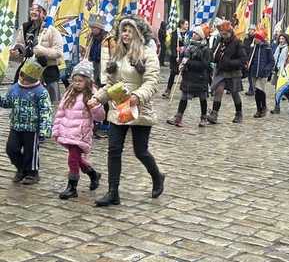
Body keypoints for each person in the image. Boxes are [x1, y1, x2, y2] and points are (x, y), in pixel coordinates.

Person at [89, 15, 165, 207]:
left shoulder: (148, 54)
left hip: (139, 108)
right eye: (124, 30)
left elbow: (152, 82)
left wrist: (138, 96)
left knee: (140, 151)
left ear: (138, 34)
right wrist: (97, 97)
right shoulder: (117, 55)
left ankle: (157, 176)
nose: (126, 34)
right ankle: (113, 192)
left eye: (130, 31)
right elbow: (111, 84)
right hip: (120, 107)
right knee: (114, 149)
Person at [52, 61, 105, 199]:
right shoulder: (70, 92)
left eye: (80, 81)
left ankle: (72, 186)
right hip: (67, 131)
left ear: (87, 81)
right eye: (74, 80)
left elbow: (100, 116)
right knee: (76, 158)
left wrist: (94, 107)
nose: (76, 83)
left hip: (81, 133)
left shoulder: (93, 94)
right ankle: (93, 173)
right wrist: (56, 129)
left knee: (72, 159)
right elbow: (61, 111)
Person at [0, 57, 53, 185]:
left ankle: (32, 173)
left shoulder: (41, 92)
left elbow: (46, 110)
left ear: (35, 79)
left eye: (27, 79)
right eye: (22, 77)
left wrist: (45, 129)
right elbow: (7, 103)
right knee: (11, 149)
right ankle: (21, 168)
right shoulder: (14, 88)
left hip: (32, 128)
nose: (23, 80)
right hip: (16, 126)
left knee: (31, 152)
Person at [11, 0, 64, 103]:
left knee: (49, 104)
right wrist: (16, 53)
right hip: (28, 71)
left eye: (37, 10)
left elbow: (58, 52)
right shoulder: (25, 27)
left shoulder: (52, 31)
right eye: (32, 9)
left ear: (43, 13)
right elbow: (20, 46)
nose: (33, 12)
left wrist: (42, 51)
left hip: (47, 72)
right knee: (23, 101)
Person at [167, 24, 212, 128]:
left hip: (200, 78)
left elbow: (205, 65)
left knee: (202, 98)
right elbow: (184, 58)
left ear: (201, 36)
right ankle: (178, 118)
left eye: (196, 33)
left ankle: (203, 118)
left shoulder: (205, 49)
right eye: (194, 33)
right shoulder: (188, 45)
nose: (193, 34)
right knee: (184, 97)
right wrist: (180, 62)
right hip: (188, 77)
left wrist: (188, 63)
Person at [206, 20, 246, 124]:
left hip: (233, 72)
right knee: (218, 91)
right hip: (222, 71)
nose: (223, 36)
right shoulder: (220, 41)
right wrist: (211, 56)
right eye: (222, 34)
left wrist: (230, 62)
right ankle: (214, 114)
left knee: (234, 93)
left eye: (225, 34)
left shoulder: (237, 43)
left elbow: (242, 60)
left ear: (230, 32)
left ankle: (239, 113)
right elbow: (215, 53)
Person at [247, 29, 275, 118]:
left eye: (257, 37)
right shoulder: (253, 47)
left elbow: (271, 61)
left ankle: (263, 108)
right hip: (254, 72)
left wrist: (266, 70)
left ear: (261, 39)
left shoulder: (267, 48)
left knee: (260, 90)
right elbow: (250, 58)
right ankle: (259, 109)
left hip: (263, 73)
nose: (255, 39)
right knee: (256, 91)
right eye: (255, 37)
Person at [162, 19, 188, 98]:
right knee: (172, 74)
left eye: (187, 24)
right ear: (181, 24)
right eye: (186, 24)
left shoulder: (188, 34)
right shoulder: (175, 33)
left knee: (185, 74)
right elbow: (172, 45)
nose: (187, 26)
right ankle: (168, 91)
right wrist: (175, 55)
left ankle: (186, 91)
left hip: (184, 57)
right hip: (175, 57)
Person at [271, 33, 289, 114]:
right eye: (280, 39)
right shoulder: (278, 48)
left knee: (281, 89)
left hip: (284, 72)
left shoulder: (288, 49)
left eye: (283, 39)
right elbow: (275, 57)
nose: (281, 41)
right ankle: (284, 104)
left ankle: (278, 107)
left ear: (286, 40)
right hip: (277, 70)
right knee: (278, 89)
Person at [243, 25, 257, 96]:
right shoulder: (246, 38)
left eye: (252, 30)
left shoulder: (256, 39)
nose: (250, 31)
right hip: (247, 58)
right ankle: (251, 89)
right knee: (249, 75)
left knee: (252, 75)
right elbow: (244, 48)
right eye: (250, 30)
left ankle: (252, 89)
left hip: (253, 59)